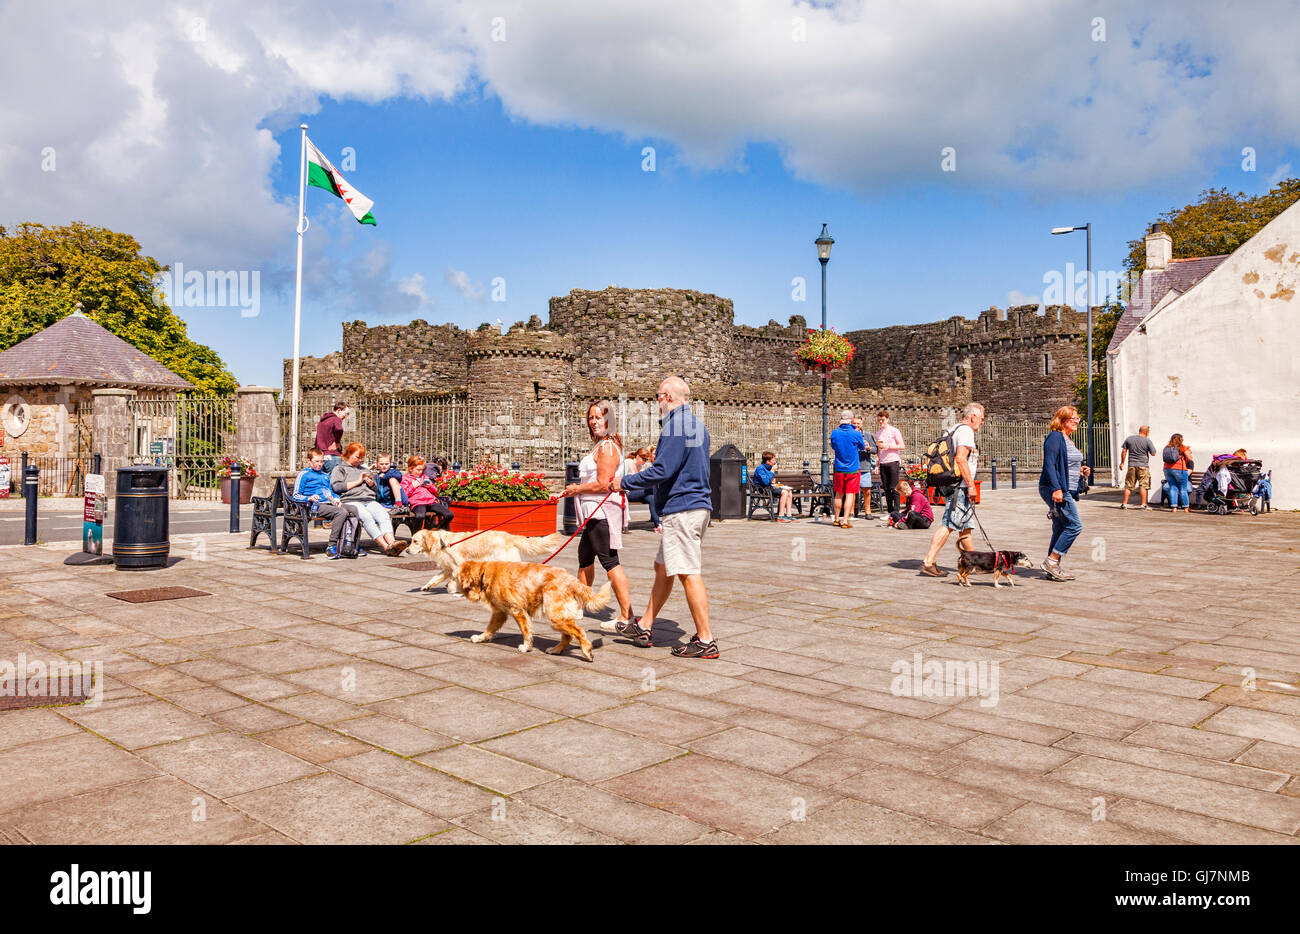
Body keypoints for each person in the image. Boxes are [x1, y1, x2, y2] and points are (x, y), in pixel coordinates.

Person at [611, 376, 717, 658]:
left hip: (682, 507)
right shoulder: (696, 425)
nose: (656, 402)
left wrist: (625, 482)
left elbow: (663, 470)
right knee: (663, 568)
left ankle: (705, 640)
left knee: (687, 572)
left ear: (668, 397)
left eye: (658, 396)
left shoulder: (676, 426)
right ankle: (645, 624)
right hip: (695, 505)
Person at [563, 400, 635, 630]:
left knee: (610, 561)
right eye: (591, 418)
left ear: (609, 420)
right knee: (585, 557)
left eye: (598, 417)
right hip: (592, 513)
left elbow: (604, 484)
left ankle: (626, 616)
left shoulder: (607, 447)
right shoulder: (602, 445)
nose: (594, 422)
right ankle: (579, 605)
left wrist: (577, 489)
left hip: (601, 511)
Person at [920, 403, 985, 577]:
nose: (982, 422)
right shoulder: (966, 431)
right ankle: (928, 561)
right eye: (981, 419)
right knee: (950, 523)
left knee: (965, 527)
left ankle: (975, 564)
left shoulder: (952, 429)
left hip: (950, 483)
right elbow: (961, 459)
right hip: (960, 486)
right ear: (972, 417)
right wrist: (971, 485)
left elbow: (943, 461)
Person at [1039, 405, 1091, 581]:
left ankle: (1053, 569)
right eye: (1074, 418)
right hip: (1056, 488)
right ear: (1063, 420)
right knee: (1074, 526)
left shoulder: (1067, 439)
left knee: (1060, 527)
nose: (1078, 421)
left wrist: (1081, 468)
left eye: (1078, 419)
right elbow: (1049, 465)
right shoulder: (1055, 438)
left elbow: (1066, 463)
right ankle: (1052, 561)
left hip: (1065, 486)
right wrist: (1056, 488)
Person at [330, 442, 406, 556]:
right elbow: (337, 487)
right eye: (357, 457)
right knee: (367, 518)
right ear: (349, 454)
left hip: (369, 500)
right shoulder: (339, 469)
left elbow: (375, 490)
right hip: (351, 500)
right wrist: (358, 481)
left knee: (384, 516)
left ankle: (393, 543)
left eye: (361, 457)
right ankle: (386, 547)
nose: (360, 460)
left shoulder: (364, 470)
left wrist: (371, 485)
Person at [291, 447, 360, 559]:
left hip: (329, 503)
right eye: (316, 461)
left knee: (354, 509)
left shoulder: (324, 475)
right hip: (314, 506)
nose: (320, 464)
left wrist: (336, 499)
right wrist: (308, 498)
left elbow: (331, 492)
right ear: (308, 461)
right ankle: (331, 546)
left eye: (322, 461)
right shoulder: (303, 474)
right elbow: (295, 495)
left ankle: (352, 543)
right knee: (341, 512)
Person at [829, 410, 867, 528]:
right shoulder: (856, 434)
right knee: (850, 494)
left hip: (839, 468)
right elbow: (862, 447)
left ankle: (836, 518)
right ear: (851, 420)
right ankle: (845, 520)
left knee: (838, 494)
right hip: (853, 468)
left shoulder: (835, 433)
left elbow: (833, 447)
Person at [401, 455, 453, 531]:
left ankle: (438, 530)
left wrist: (430, 487)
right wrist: (412, 486)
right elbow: (404, 495)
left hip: (431, 502)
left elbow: (436, 491)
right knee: (420, 516)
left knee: (449, 514)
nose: (420, 472)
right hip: (417, 503)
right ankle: (416, 536)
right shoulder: (405, 479)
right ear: (411, 468)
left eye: (422, 470)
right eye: (418, 470)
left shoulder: (424, 477)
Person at [1119, 425, 1158, 510]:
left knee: (1129, 485)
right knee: (1143, 485)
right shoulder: (1147, 441)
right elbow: (1153, 453)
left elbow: (1124, 451)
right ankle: (1143, 504)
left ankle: (1124, 504)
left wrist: (1122, 463)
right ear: (1146, 432)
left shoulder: (1129, 439)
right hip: (1143, 466)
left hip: (1131, 465)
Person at [622, 447, 662, 530]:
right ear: (637, 456)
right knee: (652, 489)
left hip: (640, 492)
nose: (644, 461)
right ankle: (663, 493)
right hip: (628, 492)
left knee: (652, 498)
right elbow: (622, 479)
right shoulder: (628, 462)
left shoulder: (640, 467)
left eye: (646, 460)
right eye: (643, 459)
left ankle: (657, 525)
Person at [875, 410, 906, 517]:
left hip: (893, 460)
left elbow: (902, 446)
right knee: (886, 488)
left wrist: (888, 446)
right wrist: (877, 462)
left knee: (894, 487)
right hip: (883, 462)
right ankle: (889, 511)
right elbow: (879, 449)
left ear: (887, 419)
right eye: (879, 420)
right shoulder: (878, 433)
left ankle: (896, 511)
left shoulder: (894, 431)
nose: (881, 422)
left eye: (882, 420)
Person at [753, 451, 795, 521]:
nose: (774, 462)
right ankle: (780, 516)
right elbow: (765, 482)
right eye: (773, 460)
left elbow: (769, 481)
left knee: (789, 491)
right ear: (768, 461)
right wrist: (772, 471)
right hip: (763, 490)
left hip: (769, 488)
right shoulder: (760, 469)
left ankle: (789, 515)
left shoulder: (769, 467)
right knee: (784, 492)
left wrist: (773, 482)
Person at [852, 416, 879, 519]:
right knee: (853, 491)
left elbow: (875, 450)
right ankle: (851, 512)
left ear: (862, 424)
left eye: (858, 423)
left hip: (864, 466)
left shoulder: (867, 435)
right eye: (854, 423)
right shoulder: (850, 435)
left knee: (866, 490)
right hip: (853, 467)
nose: (856, 425)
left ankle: (868, 511)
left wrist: (868, 448)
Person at [1162, 433, 1193, 514]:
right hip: (1179, 469)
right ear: (1180, 439)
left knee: (1173, 487)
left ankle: (1174, 508)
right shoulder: (1182, 447)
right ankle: (1186, 508)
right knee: (1183, 488)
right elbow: (1189, 458)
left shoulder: (1167, 447)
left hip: (1167, 469)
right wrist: (1187, 452)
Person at [315, 402, 349, 472]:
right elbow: (339, 429)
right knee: (334, 481)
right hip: (333, 456)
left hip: (320, 456)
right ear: (339, 410)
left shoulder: (323, 420)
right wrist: (337, 442)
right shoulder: (336, 419)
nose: (346, 416)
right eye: (345, 413)